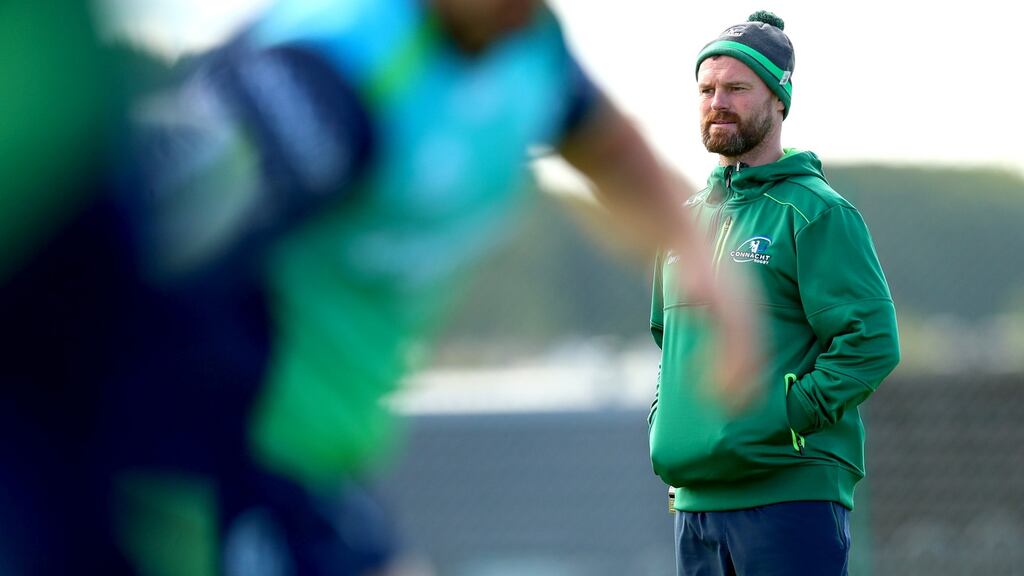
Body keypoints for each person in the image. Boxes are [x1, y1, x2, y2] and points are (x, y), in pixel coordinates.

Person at [83, 0, 760, 574]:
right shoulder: (328, 79)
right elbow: (127, 253)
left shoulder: (527, 43)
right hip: (199, 467)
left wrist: (705, 268)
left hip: (316, 470)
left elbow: (608, 148)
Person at [647, 11, 901, 576]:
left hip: (790, 496)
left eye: (738, 88)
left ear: (780, 99)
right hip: (695, 504)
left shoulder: (817, 212)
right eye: (707, 89)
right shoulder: (681, 225)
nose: (719, 101)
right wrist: (666, 421)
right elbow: (667, 346)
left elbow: (872, 342)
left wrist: (787, 414)